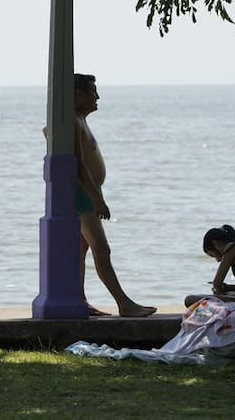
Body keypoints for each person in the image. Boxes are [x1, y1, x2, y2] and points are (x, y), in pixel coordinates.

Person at [73, 73, 156, 317]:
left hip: (90, 192)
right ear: (78, 94)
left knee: (83, 249)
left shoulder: (80, 120)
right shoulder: (74, 122)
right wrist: (97, 199)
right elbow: (78, 164)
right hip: (84, 195)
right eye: (92, 91)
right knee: (102, 249)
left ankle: (79, 301)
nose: (97, 97)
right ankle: (124, 304)